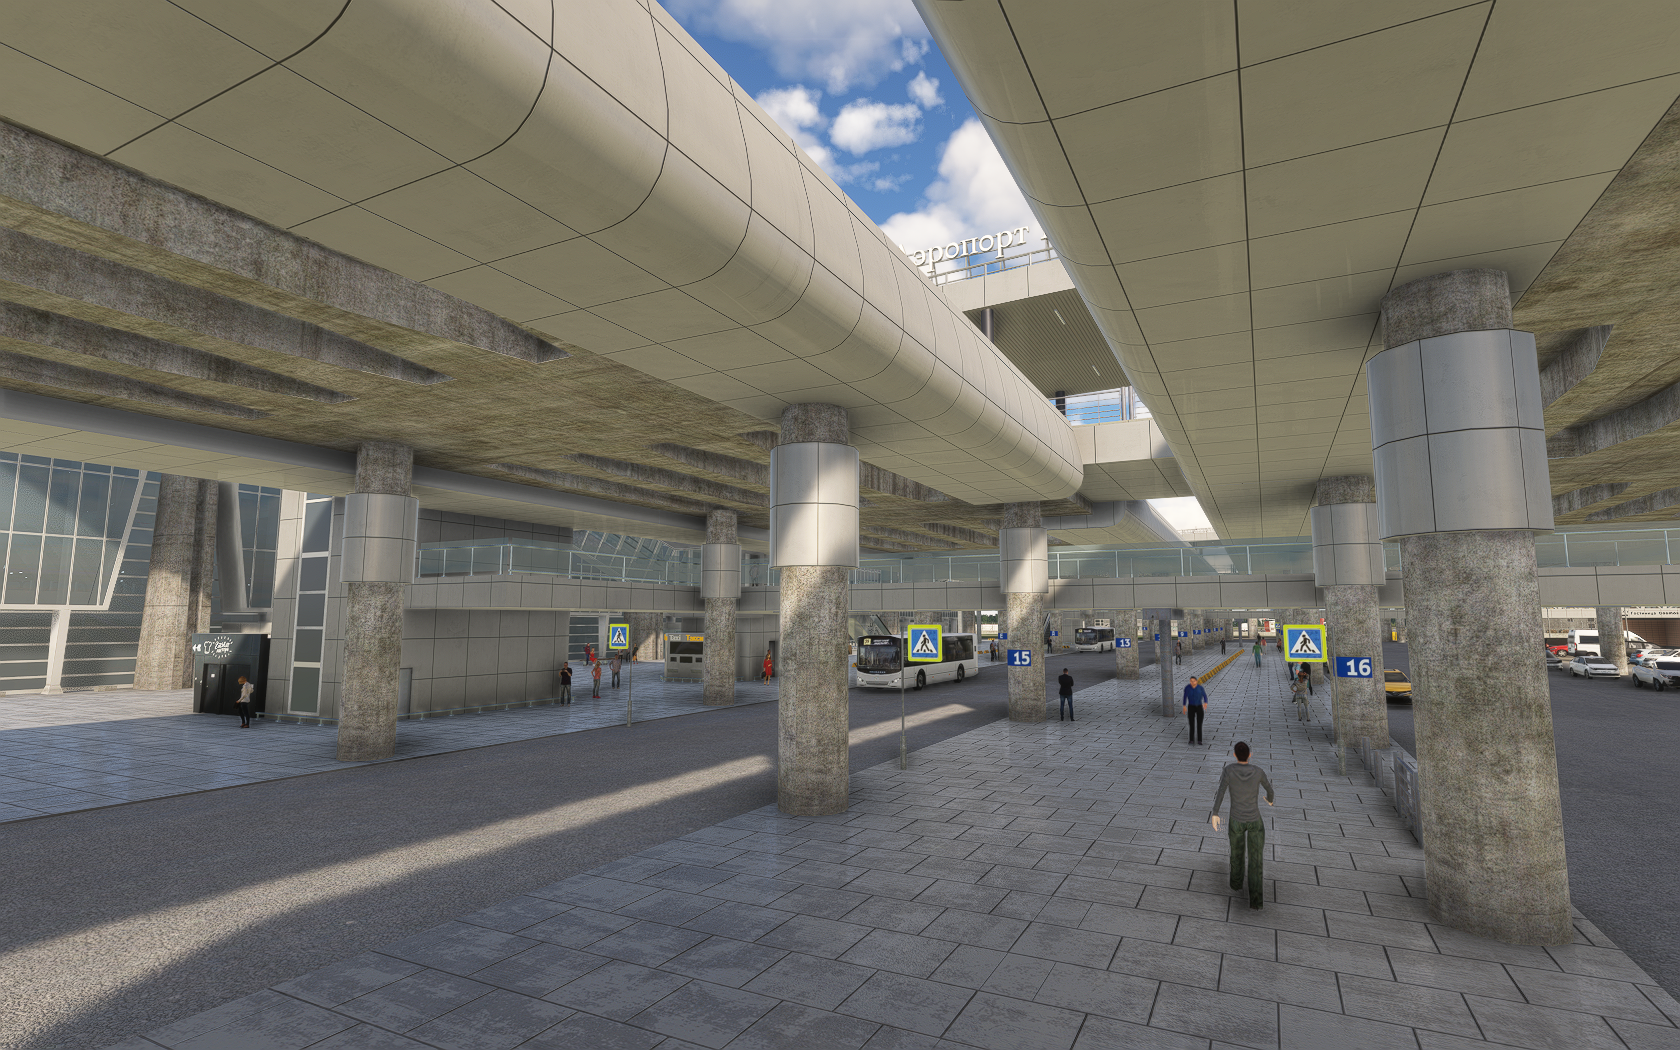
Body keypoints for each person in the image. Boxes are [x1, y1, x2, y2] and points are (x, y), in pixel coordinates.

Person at [1210, 741, 1275, 910]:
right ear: (1250, 755)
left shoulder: (1229, 771)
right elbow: (1270, 790)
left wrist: (1215, 813)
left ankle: (1236, 883)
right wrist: (1269, 800)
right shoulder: (1258, 772)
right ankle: (1256, 901)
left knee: (1236, 854)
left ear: (1234, 755)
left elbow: (1221, 792)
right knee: (1256, 861)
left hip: (1236, 820)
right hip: (1255, 820)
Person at [1181, 675, 1207, 744]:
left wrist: (1205, 703)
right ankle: (1191, 739)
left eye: (1194, 681)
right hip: (1191, 707)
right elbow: (1185, 697)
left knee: (1199, 724)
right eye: (1191, 681)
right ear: (1190, 681)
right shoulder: (1187, 688)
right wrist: (1184, 705)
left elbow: (1205, 696)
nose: (1192, 682)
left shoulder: (1200, 688)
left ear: (1196, 681)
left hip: (1199, 707)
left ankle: (1199, 740)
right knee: (1191, 724)